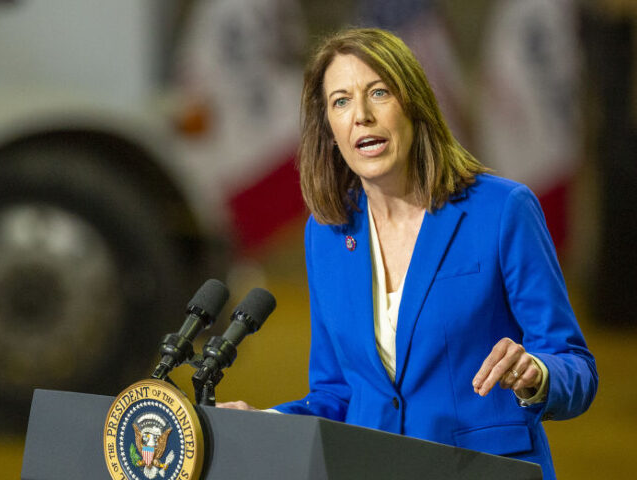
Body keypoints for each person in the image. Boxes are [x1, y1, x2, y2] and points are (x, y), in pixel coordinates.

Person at [218, 28, 598, 479]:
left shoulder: (501, 210)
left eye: (378, 93)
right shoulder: (326, 233)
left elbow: (577, 366)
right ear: (329, 129)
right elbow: (336, 394)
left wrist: (538, 372)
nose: (361, 115)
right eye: (340, 101)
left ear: (414, 105)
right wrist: (270, 424)